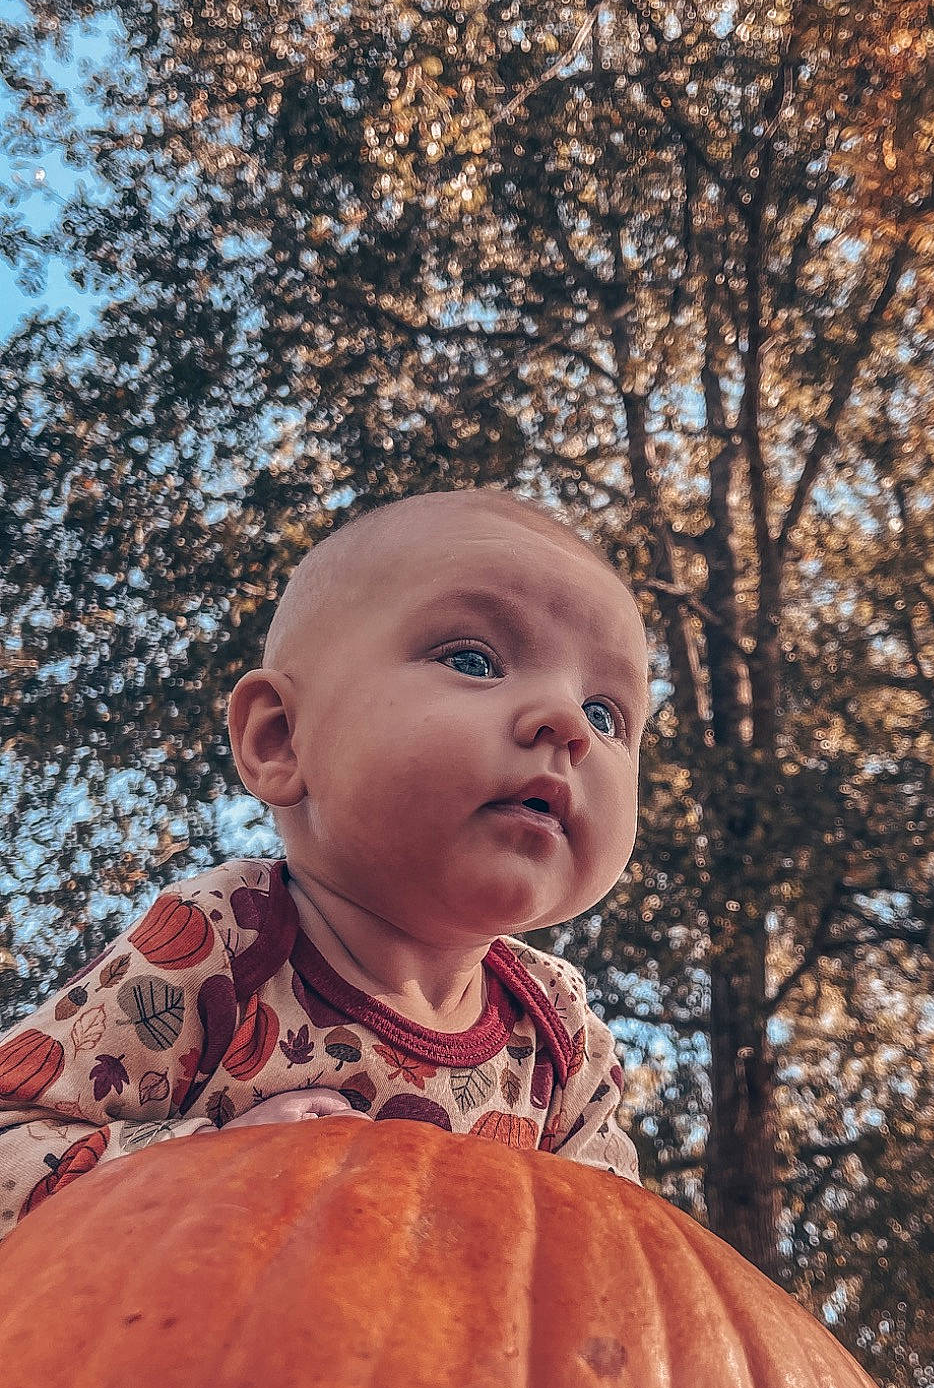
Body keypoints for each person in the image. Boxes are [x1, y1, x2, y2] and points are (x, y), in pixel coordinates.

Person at [0, 487, 652, 1234]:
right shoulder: (221, 942)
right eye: (474, 660)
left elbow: (618, 1262)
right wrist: (208, 1166)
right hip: (197, 1338)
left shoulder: (562, 1037)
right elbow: (13, 1146)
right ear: (280, 740)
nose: (567, 723)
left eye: (606, 714)